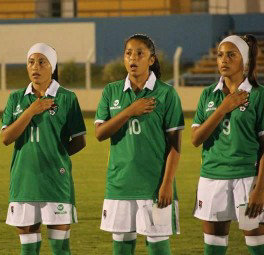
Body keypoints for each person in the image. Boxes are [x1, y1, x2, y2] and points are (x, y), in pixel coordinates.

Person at [95, 34, 184, 255]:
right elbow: (100, 133)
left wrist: (167, 184)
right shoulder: (111, 91)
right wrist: (130, 111)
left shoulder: (166, 93)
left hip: (154, 185)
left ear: (151, 59)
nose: (133, 58)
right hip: (120, 184)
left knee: (158, 247)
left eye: (140, 53)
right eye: (128, 53)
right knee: (122, 248)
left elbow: (175, 146)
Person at [1, 42, 86, 255]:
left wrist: (56, 154)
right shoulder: (16, 98)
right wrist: (31, 111)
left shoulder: (67, 98)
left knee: (60, 248)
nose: (35, 67)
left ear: (53, 67)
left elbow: (79, 140)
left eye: (42, 62)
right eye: (31, 62)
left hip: (56, 182)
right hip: (24, 181)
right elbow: (6, 137)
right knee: (28, 250)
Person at [192, 34, 264, 255]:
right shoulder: (208, 95)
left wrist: (260, 190)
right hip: (212, 177)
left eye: (231, 55)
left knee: (256, 247)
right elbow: (196, 139)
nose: (223, 60)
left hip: (247, 178)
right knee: (213, 248)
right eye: (220, 55)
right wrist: (223, 108)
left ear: (244, 61)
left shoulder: (259, 96)